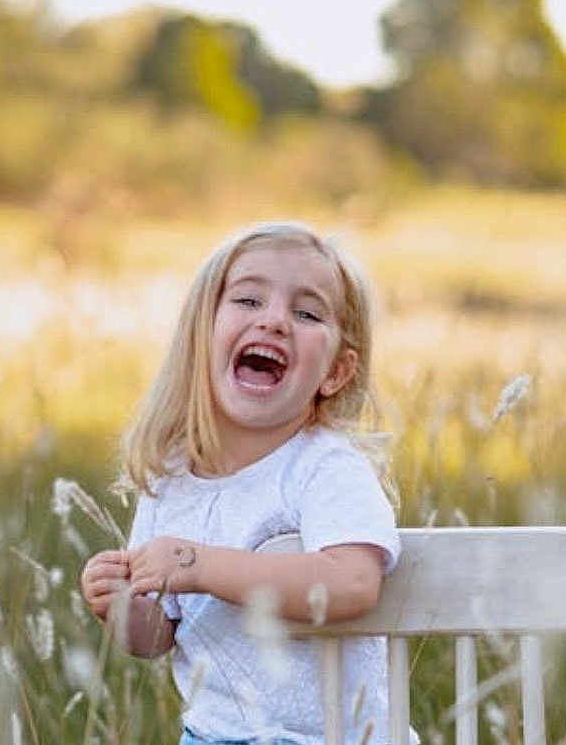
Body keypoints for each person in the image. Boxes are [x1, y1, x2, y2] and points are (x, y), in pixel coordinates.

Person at [80, 221, 418, 745]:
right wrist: (123, 608)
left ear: (336, 371)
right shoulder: (171, 478)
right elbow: (159, 637)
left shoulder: (324, 468)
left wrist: (198, 565)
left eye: (306, 313)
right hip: (212, 736)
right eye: (248, 300)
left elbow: (353, 583)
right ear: (202, 336)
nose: (276, 322)